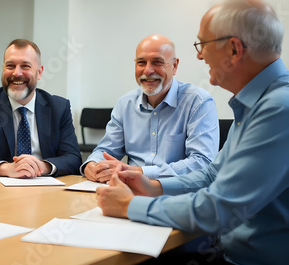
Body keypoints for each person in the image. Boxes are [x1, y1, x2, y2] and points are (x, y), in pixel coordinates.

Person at [96, 0, 289, 265]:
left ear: (234, 50)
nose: (199, 55)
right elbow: (213, 174)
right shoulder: (258, 104)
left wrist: (129, 207)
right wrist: (155, 187)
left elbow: (219, 208)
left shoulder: (278, 110)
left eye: (203, 44)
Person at [82, 34, 219, 182]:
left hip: (176, 196)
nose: (147, 71)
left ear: (174, 66)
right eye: (141, 62)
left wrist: (141, 172)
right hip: (129, 192)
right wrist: (92, 165)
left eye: (157, 62)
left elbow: (202, 162)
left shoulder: (198, 102)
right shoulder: (125, 104)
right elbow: (106, 150)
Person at [0, 39, 81, 178]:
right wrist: (7, 168)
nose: (16, 73)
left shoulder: (59, 107)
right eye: (10, 66)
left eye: (25, 66)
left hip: (46, 188)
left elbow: (73, 158)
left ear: (39, 72)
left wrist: (41, 166)